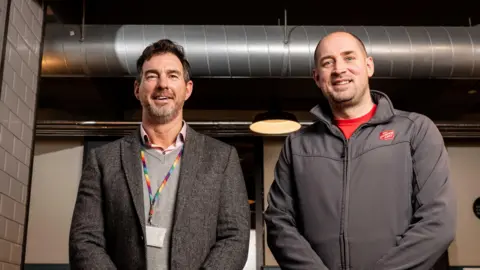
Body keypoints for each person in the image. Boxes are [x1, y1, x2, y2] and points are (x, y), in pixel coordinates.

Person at [264, 31, 457, 270]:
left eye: (349, 58)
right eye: (328, 62)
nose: (339, 69)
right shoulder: (297, 145)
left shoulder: (415, 131)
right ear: (317, 77)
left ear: (369, 66)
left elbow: (438, 221)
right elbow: (278, 223)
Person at [69, 39, 250, 270]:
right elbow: (84, 240)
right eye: (152, 75)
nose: (162, 84)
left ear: (188, 89)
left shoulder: (221, 159)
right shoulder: (103, 160)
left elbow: (235, 238)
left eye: (173, 76)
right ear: (137, 89)